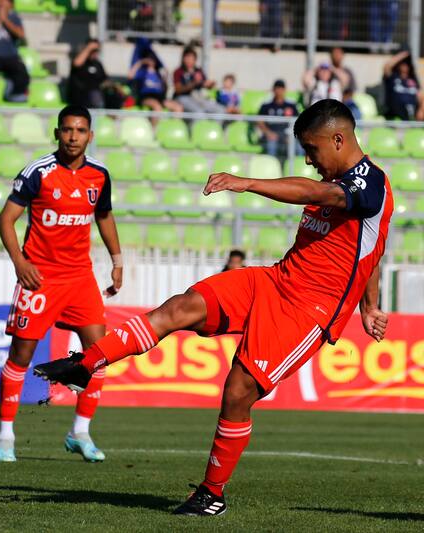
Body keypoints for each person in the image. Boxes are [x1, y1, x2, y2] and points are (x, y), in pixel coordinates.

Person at [34, 99, 393, 515]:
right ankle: (87, 364)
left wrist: (248, 182)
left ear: (337, 138)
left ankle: (211, 495)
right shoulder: (342, 185)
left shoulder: (370, 184)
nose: (311, 161)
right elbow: (371, 251)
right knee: (182, 306)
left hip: (308, 312)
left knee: (237, 391)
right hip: (274, 280)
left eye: (312, 151)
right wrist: (371, 306)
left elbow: (325, 199)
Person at [0, 105, 123, 463]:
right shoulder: (38, 172)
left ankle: (79, 432)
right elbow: (6, 220)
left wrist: (117, 262)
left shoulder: (99, 175)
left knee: (99, 356)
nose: (73, 137)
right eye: (67, 130)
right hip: (41, 277)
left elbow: (105, 217)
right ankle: (6, 436)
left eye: (80, 130)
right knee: (21, 356)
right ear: (57, 133)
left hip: (80, 277)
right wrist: (20, 262)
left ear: (90, 136)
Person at [0, 0, 29, 103]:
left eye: (4, 4)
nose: (1, 6)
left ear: (11, 6)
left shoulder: (15, 18)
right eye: (0, 4)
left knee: (21, 71)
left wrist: (5, 20)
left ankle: (15, 95)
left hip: (10, 56)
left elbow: (20, 34)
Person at [172, 46, 225, 114]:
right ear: (183, 58)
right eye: (187, 58)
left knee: (220, 110)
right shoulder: (178, 71)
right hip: (183, 97)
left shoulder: (198, 71)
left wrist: (210, 84)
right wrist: (194, 83)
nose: (189, 60)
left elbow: (206, 85)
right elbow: (178, 89)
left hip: (199, 98)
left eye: (192, 58)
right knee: (198, 112)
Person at [256, 79, 299, 160]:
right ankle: (273, 169)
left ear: (285, 90)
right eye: (277, 88)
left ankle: (294, 170)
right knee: (271, 146)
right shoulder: (266, 105)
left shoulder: (291, 105)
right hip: (271, 134)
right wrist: (268, 133)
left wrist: (291, 135)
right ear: (273, 90)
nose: (279, 91)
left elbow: (298, 122)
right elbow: (260, 122)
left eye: (281, 88)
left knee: (298, 147)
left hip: (287, 134)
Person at [382, 49, 424, 121]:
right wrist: (403, 54)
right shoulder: (393, 77)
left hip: (413, 113)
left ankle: (419, 124)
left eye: (407, 63)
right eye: (402, 63)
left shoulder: (413, 79)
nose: (405, 65)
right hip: (395, 113)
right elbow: (387, 66)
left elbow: (420, 94)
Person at [68, 39, 108, 109]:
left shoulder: (97, 64)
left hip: (95, 97)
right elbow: (76, 63)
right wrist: (89, 48)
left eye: (96, 50)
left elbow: (104, 79)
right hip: (80, 97)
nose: (94, 53)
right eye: (92, 50)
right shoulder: (80, 61)